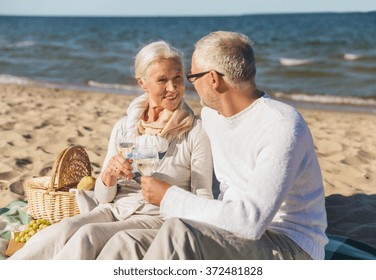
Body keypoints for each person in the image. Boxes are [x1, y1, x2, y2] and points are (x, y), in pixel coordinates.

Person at [102, 31, 328, 260]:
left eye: (191, 76)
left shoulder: (282, 125)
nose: (189, 84)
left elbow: (250, 223)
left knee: (178, 233)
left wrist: (168, 196)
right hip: (228, 229)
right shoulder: (212, 117)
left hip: (287, 244)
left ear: (212, 79)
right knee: (127, 242)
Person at [9, 41, 213, 260]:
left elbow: (203, 196)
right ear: (142, 83)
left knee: (88, 234)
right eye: (162, 80)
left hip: (158, 216)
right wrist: (108, 176)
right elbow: (103, 197)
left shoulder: (195, 131)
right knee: (60, 231)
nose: (173, 88)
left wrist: (167, 195)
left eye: (178, 78)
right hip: (114, 209)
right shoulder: (125, 126)